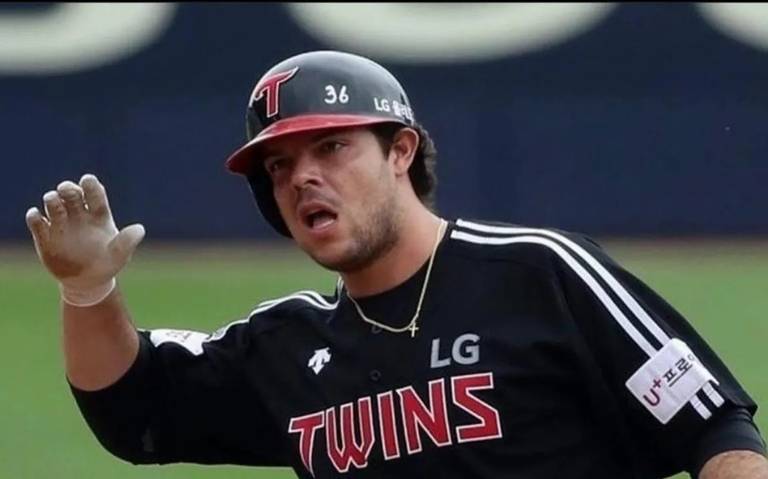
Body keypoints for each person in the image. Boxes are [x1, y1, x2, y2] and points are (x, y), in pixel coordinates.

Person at [25, 50, 767, 479]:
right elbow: (132, 409)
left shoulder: (539, 273)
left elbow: (714, 427)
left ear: (401, 151)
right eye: (278, 165)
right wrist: (88, 290)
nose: (301, 177)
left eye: (331, 147)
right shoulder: (284, 347)